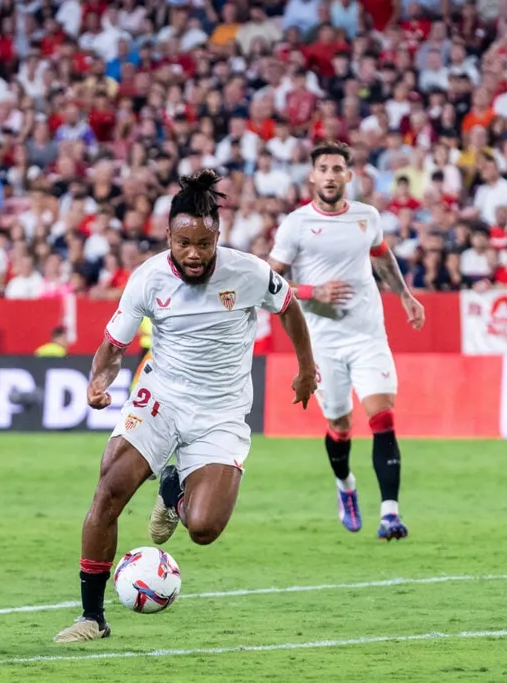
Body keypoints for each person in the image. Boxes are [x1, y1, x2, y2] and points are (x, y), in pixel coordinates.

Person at [53, 170, 317, 643]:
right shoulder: (148, 277)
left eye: (203, 243)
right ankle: (92, 617)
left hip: (221, 412)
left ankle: (173, 489)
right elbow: (114, 346)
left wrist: (305, 367)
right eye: (182, 243)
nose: (193, 254)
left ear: (218, 236)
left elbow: (290, 307)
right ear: (168, 237)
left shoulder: (251, 273)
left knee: (204, 528)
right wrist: (99, 381)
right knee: (108, 491)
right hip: (163, 397)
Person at [268, 141, 426, 541]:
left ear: (348, 176)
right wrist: (311, 293)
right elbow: (267, 283)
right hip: (322, 343)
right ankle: (346, 487)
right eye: (324, 168)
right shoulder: (295, 225)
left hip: (367, 334)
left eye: (338, 169)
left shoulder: (366, 217)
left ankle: (390, 513)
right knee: (339, 425)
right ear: (313, 176)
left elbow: (382, 257)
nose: (331, 175)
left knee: (383, 417)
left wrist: (405, 295)